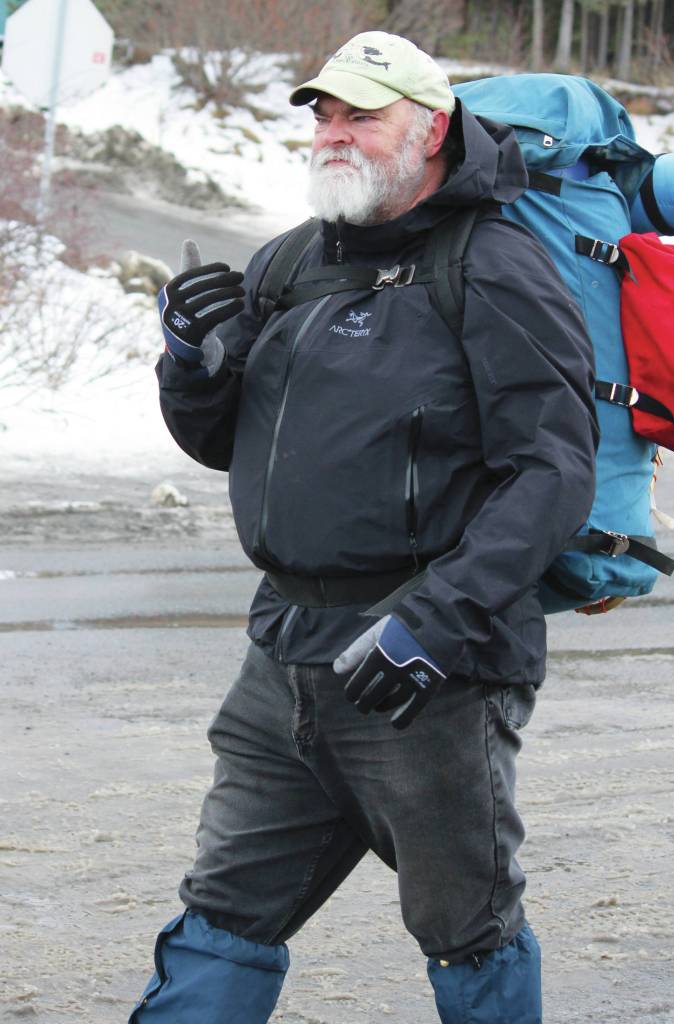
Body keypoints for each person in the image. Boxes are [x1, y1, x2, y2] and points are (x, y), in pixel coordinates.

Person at [131, 31, 598, 1024]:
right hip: (282, 655)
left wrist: (434, 622)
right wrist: (188, 364)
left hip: (428, 663)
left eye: (362, 114)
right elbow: (225, 443)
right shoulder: (290, 264)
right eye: (324, 114)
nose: (333, 133)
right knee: (223, 906)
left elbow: (552, 471)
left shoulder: (495, 266)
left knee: (462, 922)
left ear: (428, 130)